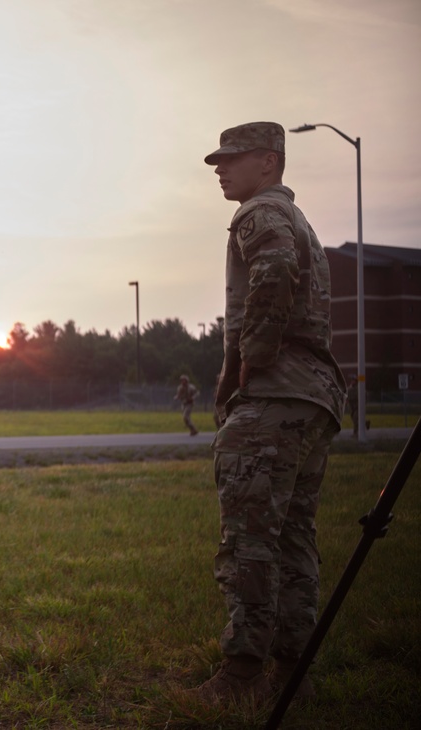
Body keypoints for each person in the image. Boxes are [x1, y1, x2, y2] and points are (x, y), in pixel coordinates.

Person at [190, 122, 347, 708]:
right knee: (292, 539)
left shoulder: (258, 213)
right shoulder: (296, 218)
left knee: (251, 536)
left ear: (269, 162)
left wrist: (247, 364)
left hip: (277, 398)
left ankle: (242, 673)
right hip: (312, 398)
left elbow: (274, 271)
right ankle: (293, 673)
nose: (220, 169)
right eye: (217, 161)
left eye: (232, 159)